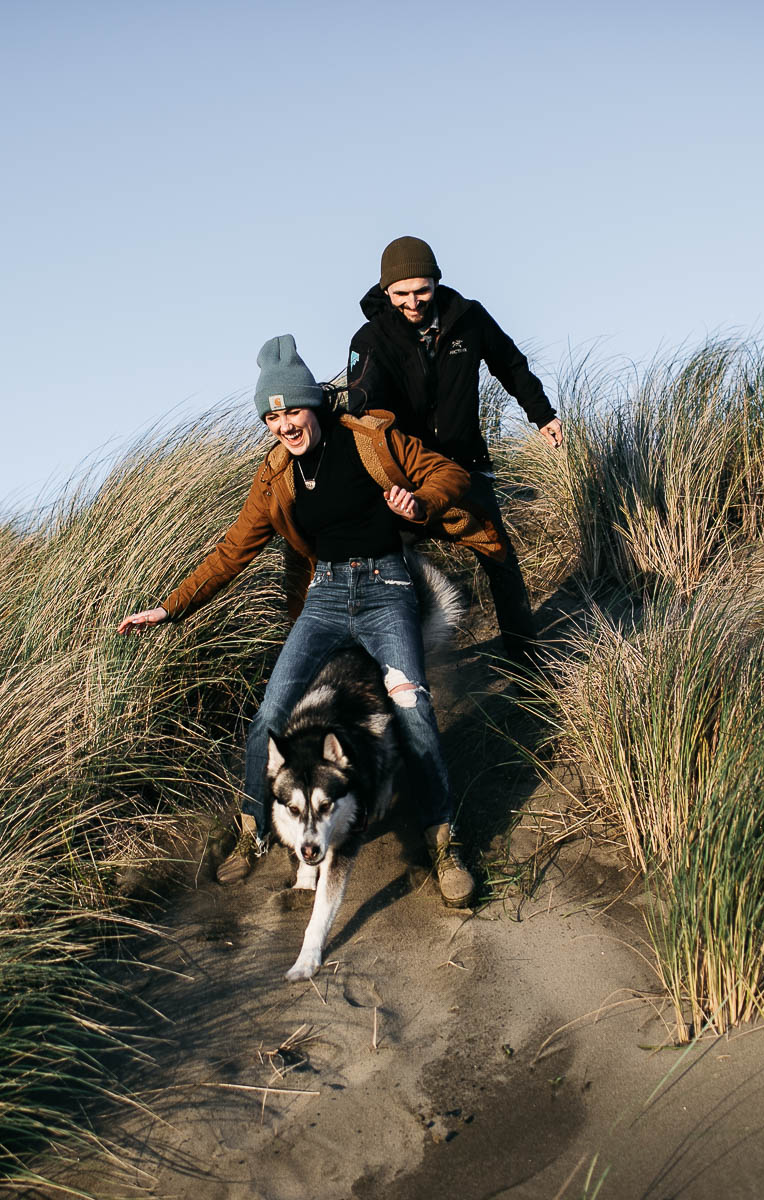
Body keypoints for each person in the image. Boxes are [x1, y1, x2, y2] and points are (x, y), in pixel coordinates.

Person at [117, 334, 504, 905]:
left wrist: (419, 502)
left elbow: (449, 473)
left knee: (413, 709)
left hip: (386, 589)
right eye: (272, 417)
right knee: (269, 715)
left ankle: (443, 843)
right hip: (323, 596)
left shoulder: (371, 439)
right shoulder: (275, 474)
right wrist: (171, 607)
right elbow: (232, 550)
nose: (285, 426)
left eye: (292, 411)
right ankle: (253, 830)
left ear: (313, 405)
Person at [344, 236, 561, 672]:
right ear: (386, 290)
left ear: (436, 282)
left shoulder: (469, 318)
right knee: (378, 567)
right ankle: (392, 670)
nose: (412, 302)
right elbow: (363, 408)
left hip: (467, 467)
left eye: (421, 290)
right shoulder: (370, 338)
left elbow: (511, 365)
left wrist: (542, 415)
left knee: (501, 560)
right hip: (406, 475)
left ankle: (527, 666)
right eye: (401, 293)